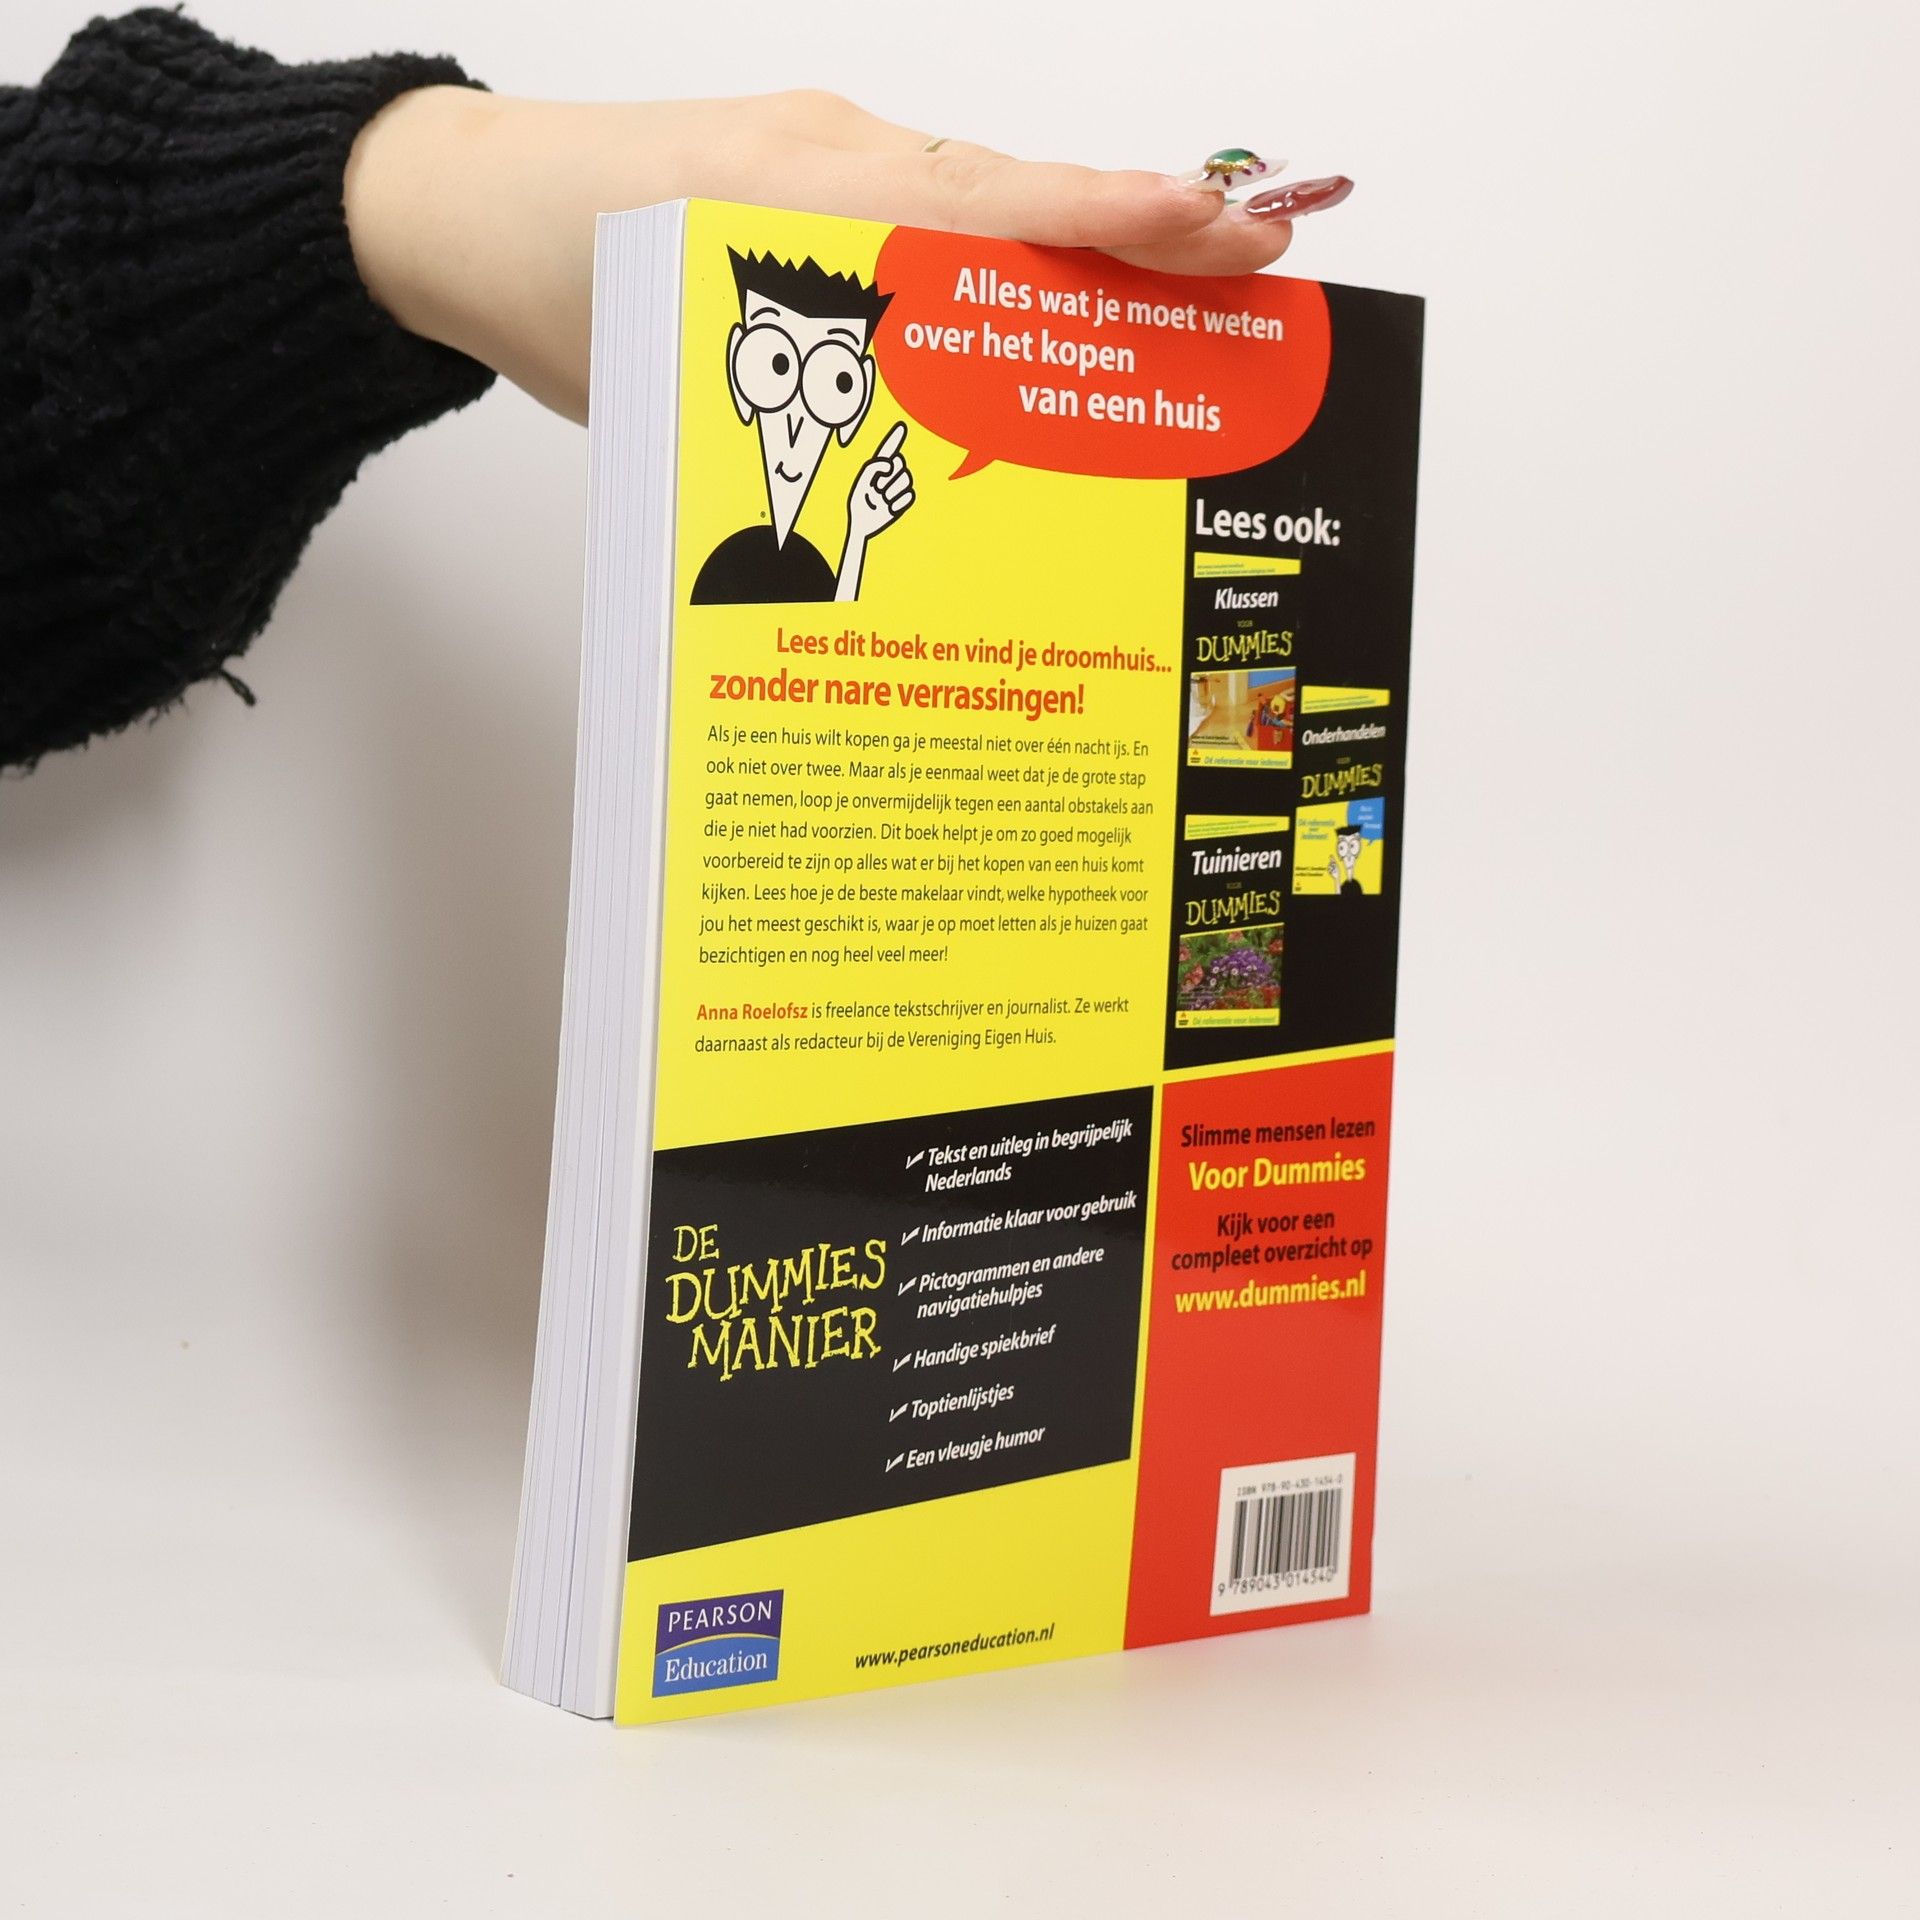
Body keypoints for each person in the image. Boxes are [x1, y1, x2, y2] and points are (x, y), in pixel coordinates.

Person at [0, 8, 1350, 776]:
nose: (807, 409)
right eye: (786, 368)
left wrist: (422, 198)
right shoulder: (755, 550)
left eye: (829, 380)